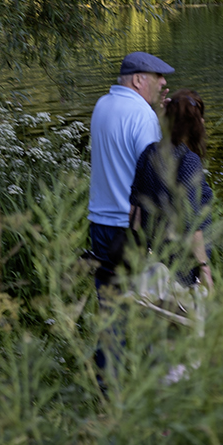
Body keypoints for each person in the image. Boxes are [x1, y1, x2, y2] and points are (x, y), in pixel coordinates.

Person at [88, 51, 172, 293]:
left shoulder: (102, 105)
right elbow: (153, 171)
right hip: (127, 227)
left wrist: (154, 117)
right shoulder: (143, 116)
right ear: (138, 80)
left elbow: (123, 150)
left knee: (108, 299)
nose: (164, 82)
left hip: (98, 223)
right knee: (135, 304)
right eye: (158, 76)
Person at [130, 89, 214, 289]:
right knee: (184, 316)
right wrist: (205, 268)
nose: (202, 122)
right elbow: (190, 224)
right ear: (191, 125)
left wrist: (138, 255)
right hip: (183, 265)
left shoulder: (149, 153)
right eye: (199, 118)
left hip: (154, 262)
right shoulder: (188, 161)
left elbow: (135, 210)